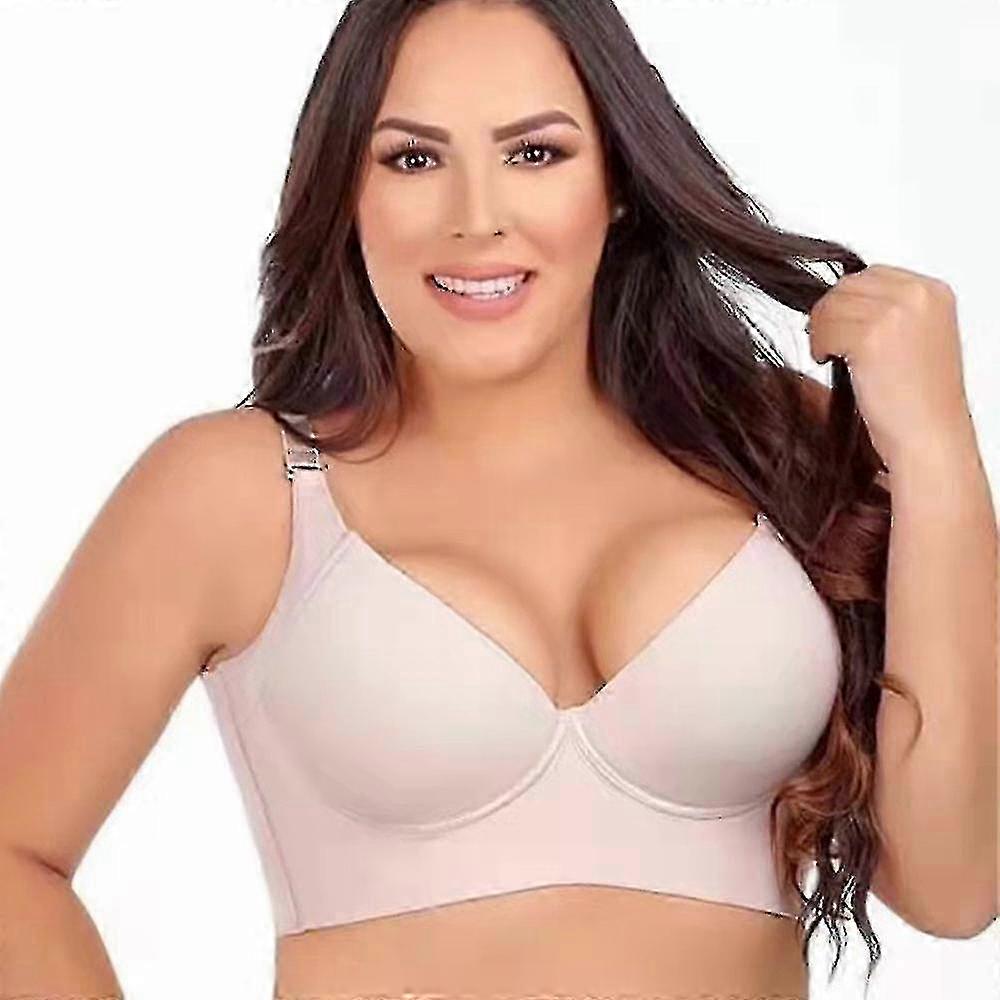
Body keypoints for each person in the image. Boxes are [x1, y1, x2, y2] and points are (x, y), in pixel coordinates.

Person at [0, 2, 928, 998]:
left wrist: (938, 455)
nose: (476, 217)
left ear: (619, 179)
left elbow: (953, 883)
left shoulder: (775, 445)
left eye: (535, 153)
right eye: (412, 158)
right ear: (344, 190)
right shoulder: (242, 490)